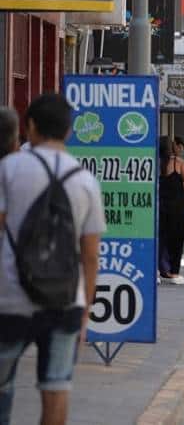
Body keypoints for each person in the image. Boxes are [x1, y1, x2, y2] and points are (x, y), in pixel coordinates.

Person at [0, 94, 106, 425]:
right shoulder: (86, 181)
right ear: (69, 131)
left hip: (11, 298)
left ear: (29, 126)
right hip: (65, 300)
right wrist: (85, 311)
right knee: (56, 388)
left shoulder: (9, 168)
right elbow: (90, 255)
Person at [159, 136, 184, 285]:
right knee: (176, 241)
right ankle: (174, 272)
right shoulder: (178, 163)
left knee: (159, 239)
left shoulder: (154, 163)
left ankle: (158, 270)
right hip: (177, 209)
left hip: (159, 208)